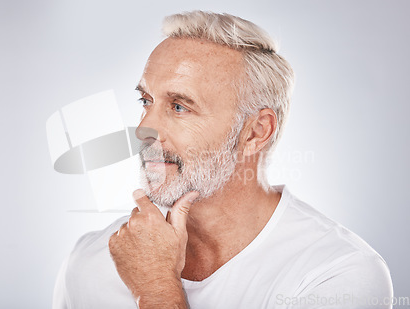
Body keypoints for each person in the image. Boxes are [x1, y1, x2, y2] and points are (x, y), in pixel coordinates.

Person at [53, 11, 393, 309]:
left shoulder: (336, 273)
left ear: (256, 132)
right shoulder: (90, 262)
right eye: (146, 101)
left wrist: (156, 288)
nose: (144, 129)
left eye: (179, 106)